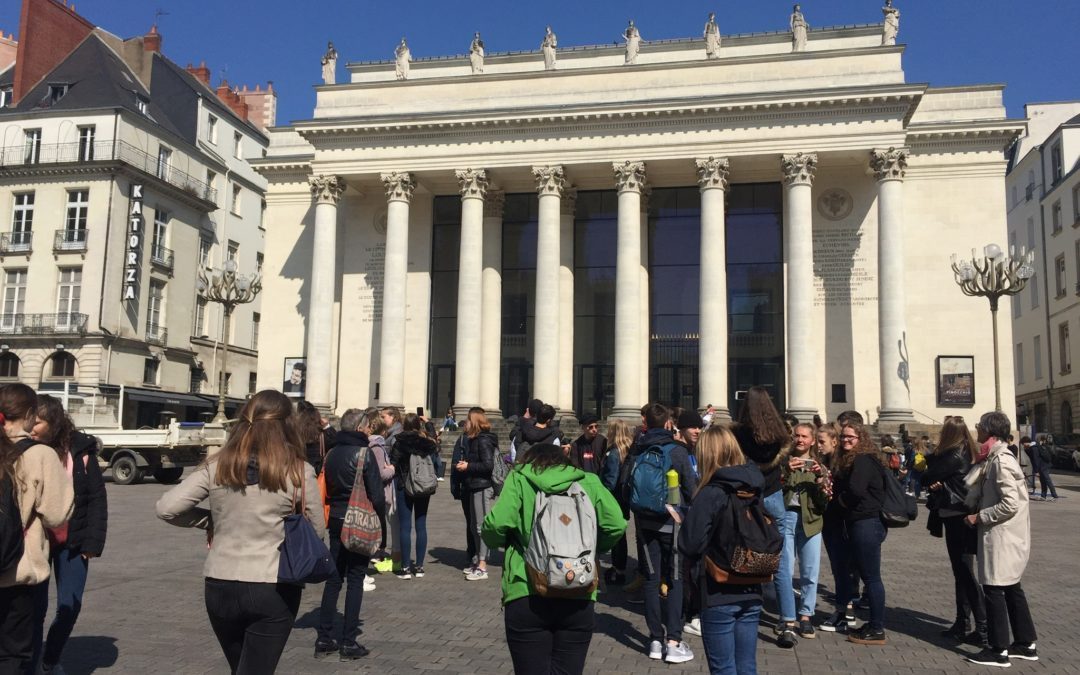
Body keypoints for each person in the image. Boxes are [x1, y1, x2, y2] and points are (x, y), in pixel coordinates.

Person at [156, 390, 324, 674]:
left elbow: (167, 507)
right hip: (273, 583)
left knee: (241, 667)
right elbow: (317, 530)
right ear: (287, 425)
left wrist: (211, 521)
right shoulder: (298, 470)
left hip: (220, 584)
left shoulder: (218, 464)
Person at [481, 441, 626, 675]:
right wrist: (591, 549)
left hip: (527, 588)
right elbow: (616, 524)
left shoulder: (519, 478)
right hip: (579, 587)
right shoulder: (588, 481)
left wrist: (502, 542)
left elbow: (496, 525)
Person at [29, 395, 107, 674]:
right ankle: (33, 663)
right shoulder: (26, 449)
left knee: (69, 605)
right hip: (36, 542)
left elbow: (97, 498)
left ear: (54, 422)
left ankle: (50, 659)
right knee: (34, 611)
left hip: (73, 541)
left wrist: (93, 542)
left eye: (36, 422)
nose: (31, 427)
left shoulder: (80, 450)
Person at [678, 426, 765, 675]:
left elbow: (690, 544)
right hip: (752, 583)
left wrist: (687, 521)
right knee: (747, 666)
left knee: (723, 668)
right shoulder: (754, 486)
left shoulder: (711, 492)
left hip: (719, 589)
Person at [0, 384, 73, 673]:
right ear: (30, 414)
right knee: (13, 654)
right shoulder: (39, 454)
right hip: (18, 572)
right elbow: (57, 515)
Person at [965, 412, 1039, 667]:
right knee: (1011, 587)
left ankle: (998, 650)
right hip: (1006, 536)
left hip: (1002, 536)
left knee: (995, 589)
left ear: (989, 431)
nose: (976, 431)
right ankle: (1025, 642)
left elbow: (1010, 503)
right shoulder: (996, 457)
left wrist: (980, 517)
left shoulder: (1001, 460)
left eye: (979, 427)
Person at [626, 402, 697, 664]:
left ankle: (655, 639)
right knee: (676, 578)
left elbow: (626, 484)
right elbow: (692, 488)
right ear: (668, 423)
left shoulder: (638, 448)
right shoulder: (677, 451)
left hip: (644, 524)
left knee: (651, 579)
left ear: (647, 423)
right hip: (672, 523)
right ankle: (674, 641)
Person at [316, 408, 385, 661]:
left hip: (335, 518)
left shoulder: (332, 453)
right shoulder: (364, 454)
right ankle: (348, 641)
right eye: (367, 426)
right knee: (356, 579)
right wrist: (380, 527)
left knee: (334, 579)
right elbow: (376, 495)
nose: (369, 430)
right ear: (359, 428)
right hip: (358, 521)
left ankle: (324, 637)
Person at [730, 386, 792, 647]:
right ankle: (788, 620)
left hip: (749, 499)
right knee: (781, 560)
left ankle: (746, 608)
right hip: (775, 497)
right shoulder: (780, 436)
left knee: (745, 552)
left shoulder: (738, 434)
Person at [923, 416, 986, 647]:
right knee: (962, 570)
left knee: (964, 572)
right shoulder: (970, 450)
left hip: (956, 515)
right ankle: (964, 621)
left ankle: (982, 625)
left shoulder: (953, 454)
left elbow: (926, 475)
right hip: (965, 513)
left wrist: (935, 478)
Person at [831, 420, 889, 645]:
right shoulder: (861, 458)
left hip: (866, 523)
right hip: (863, 523)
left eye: (850, 437)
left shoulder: (863, 460)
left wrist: (839, 503)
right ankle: (875, 625)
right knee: (868, 575)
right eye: (843, 437)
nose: (846, 440)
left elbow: (856, 490)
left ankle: (877, 628)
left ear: (861, 439)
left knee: (871, 577)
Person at [777, 423, 831, 642]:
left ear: (812, 440)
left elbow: (824, 502)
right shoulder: (782, 462)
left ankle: (806, 615)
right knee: (785, 571)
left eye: (804, 436)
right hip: (787, 517)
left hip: (811, 521)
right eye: (796, 436)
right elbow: (772, 492)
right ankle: (787, 617)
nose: (800, 440)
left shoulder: (821, 466)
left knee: (810, 573)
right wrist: (785, 472)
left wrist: (820, 480)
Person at [817, 422, 857, 633]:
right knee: (839, 567)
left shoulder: (840, 464)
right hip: (831, 522)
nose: (818, 445)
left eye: (821, 441)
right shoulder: (824, 461)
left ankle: (843, 611)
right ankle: (845, 608)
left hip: (838, 522)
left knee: (841, 566)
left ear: (834, 441)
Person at [389, 413, 438, 580]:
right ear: (418, 425)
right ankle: (419, 566)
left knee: (405, 526)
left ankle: (405, 567)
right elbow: (435, 448)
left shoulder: (399, 442)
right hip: (423, 485)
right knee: (421, 525)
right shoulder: (426, 443)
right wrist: (429, 424)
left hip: (404, 486)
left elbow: (393, 464)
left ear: (404, 425)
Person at [457, 408, 498, 580]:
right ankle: (477, 561)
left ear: (473, 422)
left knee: (481, 527)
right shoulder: (474, 440)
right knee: (474, 526)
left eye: (467, 420)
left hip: (482, 486)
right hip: (474, 485)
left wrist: (468, 466)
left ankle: (482, 565)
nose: (465, 424)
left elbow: (488, 466)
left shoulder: (482, 440)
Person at [601, 418, 634, 586]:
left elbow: (611, 480)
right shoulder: (628, 450)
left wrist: (601, 495)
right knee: (621, 535)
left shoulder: (614, 452)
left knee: (616, 537)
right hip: (624, 498)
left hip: (614, 498)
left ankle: (618, 570)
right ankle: (620, 568)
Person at [362, 411, 396, 565]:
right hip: (379, 492)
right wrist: (392, 469)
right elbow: (380, 473)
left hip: (373, 491)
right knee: (380, 522)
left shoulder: (369, 443)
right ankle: (378, 552)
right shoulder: (377, 446)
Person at [296, 400, 336, 476]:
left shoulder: (296, 433)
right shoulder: (322, 434)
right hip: (317, 473)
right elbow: (336, 443)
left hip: (300, 472)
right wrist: (327, 426)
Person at [1024, 436, 1058, 501]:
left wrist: (1036, 470)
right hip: (1042, 466)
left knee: (1047, 480)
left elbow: (1035, 459)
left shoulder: (1034, 448)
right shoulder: (1032, 447)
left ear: (1026, 442)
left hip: (1043, 466)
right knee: (1043, 481)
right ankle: (1043, 495)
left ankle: (1054, 495)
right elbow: (1032, 457)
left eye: (1023, 444)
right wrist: (1026, 449)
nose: (1023, 445)